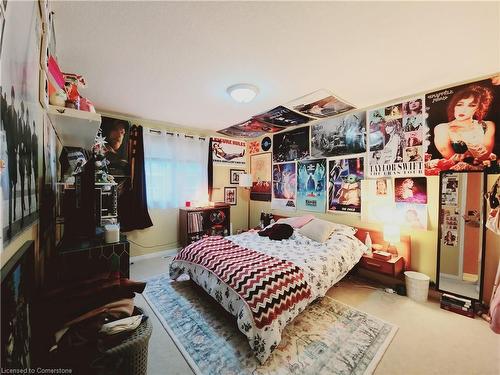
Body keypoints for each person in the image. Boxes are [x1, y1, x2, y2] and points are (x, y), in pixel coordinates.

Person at [433, 85, 496, 166]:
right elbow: (450, 158)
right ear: (454, 106)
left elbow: (485, 155)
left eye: (471, 105)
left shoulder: (488, 125)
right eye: (459, 104)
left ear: (478, 108)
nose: (463, 109)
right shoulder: (442, 128)